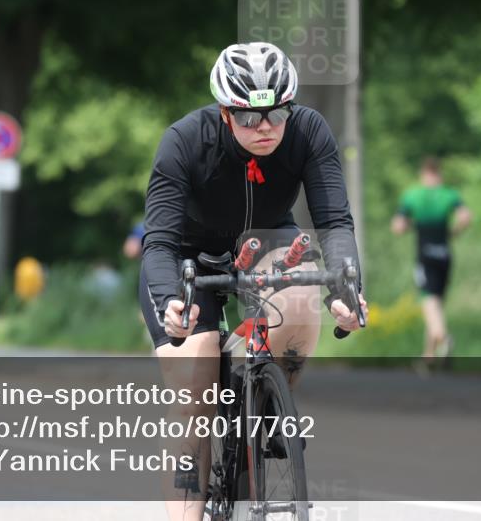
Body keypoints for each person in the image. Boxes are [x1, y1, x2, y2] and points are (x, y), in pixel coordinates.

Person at [139, 41, 367, 521]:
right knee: (194, 394)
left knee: (301, 296)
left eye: (277, 113)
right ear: (225, 113)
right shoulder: (184, 141)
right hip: (188, 255)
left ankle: (265, 401)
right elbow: (157, 243)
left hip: (266, 240)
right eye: (248, 117)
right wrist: (169, 304)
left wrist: (347, 292)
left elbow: (334, 222)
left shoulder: (308, 132)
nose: (265, 127)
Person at [391, 157, 472, 361]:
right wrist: (454, 232)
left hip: (425, 255)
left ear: (423, 174)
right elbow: (465, 217)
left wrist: (411, 225)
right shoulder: (450, 194)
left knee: (428, 302)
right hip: (444, 255)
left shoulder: (413, 195)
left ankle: (443, 338)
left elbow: (398, 226)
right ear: (439, 173)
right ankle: (429, 355)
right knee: (437, 306)